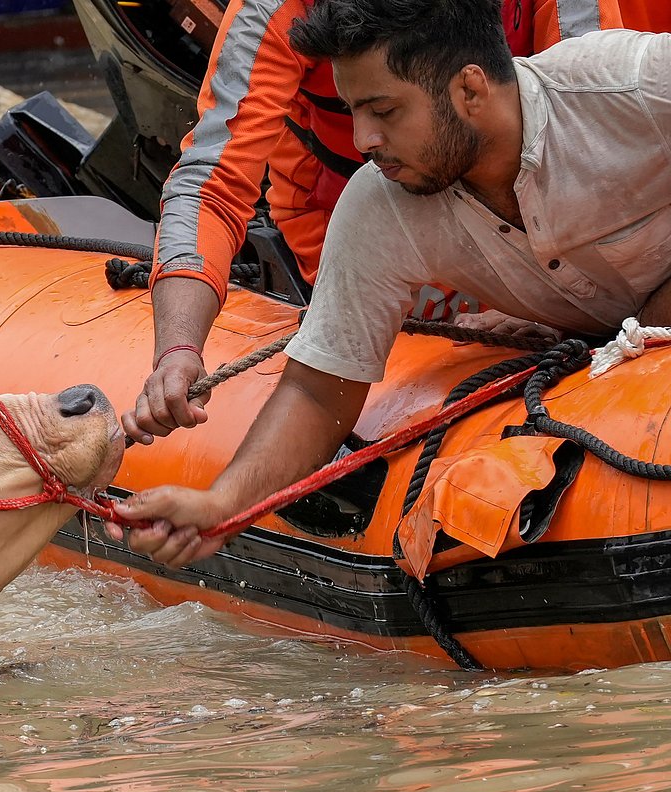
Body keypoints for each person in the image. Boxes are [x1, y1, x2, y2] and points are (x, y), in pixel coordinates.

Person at [110, 0, 671, 567]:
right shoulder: (378, 207)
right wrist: (221, 505)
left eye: (383, 110)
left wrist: (650, 318)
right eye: (352, 109)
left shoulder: (635, 84)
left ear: (470, 90)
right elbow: (317, 392)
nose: (362, 139)